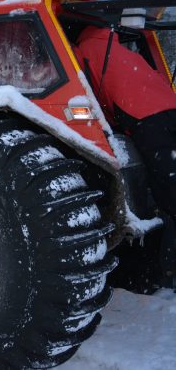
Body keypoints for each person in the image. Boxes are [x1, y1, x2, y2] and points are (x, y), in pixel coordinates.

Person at [75, 25, 176, 288]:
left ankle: (165, 271)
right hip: (170, 109)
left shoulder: (83, 51)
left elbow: (85, 93)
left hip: (146, 119)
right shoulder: (121, 48)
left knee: (169, 197)